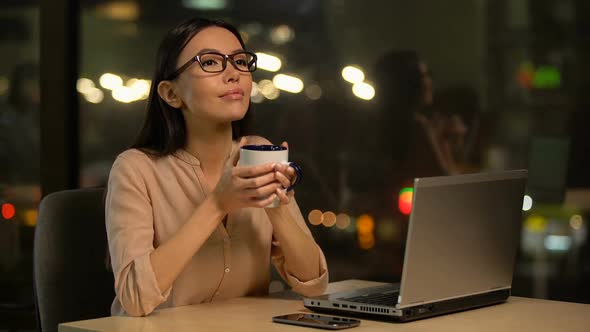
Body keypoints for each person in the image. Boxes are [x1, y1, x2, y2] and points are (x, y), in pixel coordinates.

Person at [105, 17, 328, 317]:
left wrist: (275, 205)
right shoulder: (135, 169)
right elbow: (134, 298)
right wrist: (217, 203)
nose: (233, 74)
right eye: (210, 62)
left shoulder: (258, 153)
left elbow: (313, 285)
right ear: (171, 94)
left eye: (239, 61)